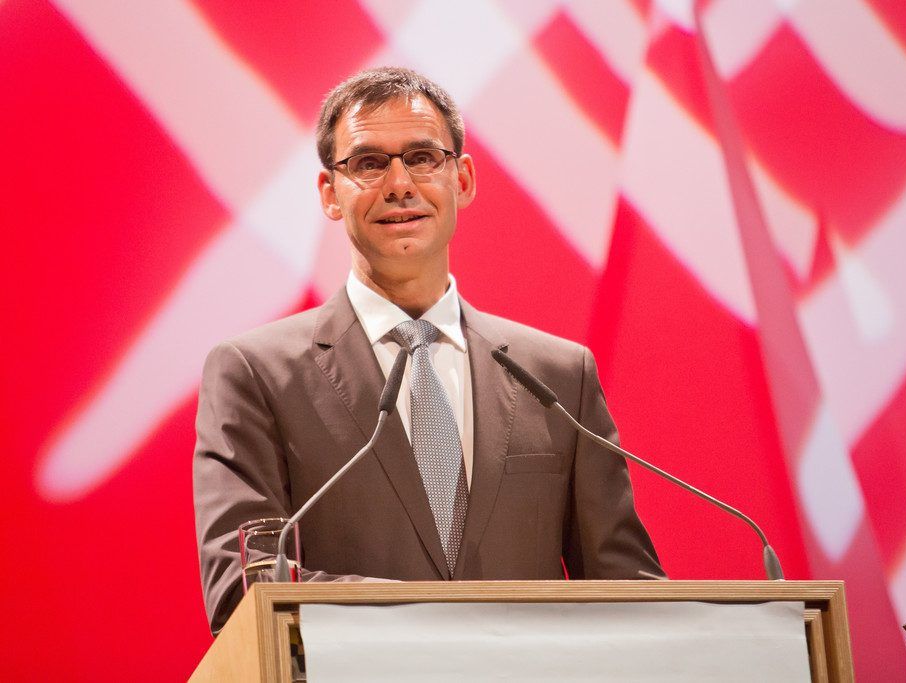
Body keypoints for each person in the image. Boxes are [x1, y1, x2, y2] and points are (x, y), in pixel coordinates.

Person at [193, 67, 663, 634]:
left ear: (462, 179)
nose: (399, 184)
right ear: (330, 194)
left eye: (422, 158)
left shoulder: (558, 377)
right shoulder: (256, 374)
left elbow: (628, 592)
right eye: (369, 163)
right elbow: (246, 589)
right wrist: (437, 623)